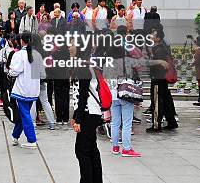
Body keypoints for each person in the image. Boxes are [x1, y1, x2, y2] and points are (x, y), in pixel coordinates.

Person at [106, 26, 168, 157]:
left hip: (112, 92)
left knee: (115, 121)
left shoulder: (108, 59)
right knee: (127, 122)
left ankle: (115, 147)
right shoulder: (128, 56)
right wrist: (160, 61)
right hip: (125, 91)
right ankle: (127, 149)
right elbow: (143, 62)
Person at [71, 51, 103, 183]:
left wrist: (78, 119)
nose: (69, 47)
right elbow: (80, 94)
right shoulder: (85, 64)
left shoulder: (84, 67)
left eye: (72, 44)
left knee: (82, 150)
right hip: (90, 112)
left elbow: (83, 96)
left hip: (88, 114)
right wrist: (75, 115)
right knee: (91, 149)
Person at [8, 32, 39, 149]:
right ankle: (15, 136)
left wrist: (10, 72)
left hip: (22, 88)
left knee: (25, 114)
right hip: (33, 89)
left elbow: (14, 71)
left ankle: (31, 139)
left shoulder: (19, 54)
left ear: (22, 41)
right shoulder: (37, 54)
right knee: (23, 113)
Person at [146, 28, 178, 132]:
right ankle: (171, 122)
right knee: (166, 100)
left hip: (158, 78)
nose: (151, 35)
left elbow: (158, 65)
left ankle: (156, 125)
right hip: (162, 79)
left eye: (153, 34)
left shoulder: (159, 50)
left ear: (158, 38)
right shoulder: (161, 48)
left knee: (157, 101)